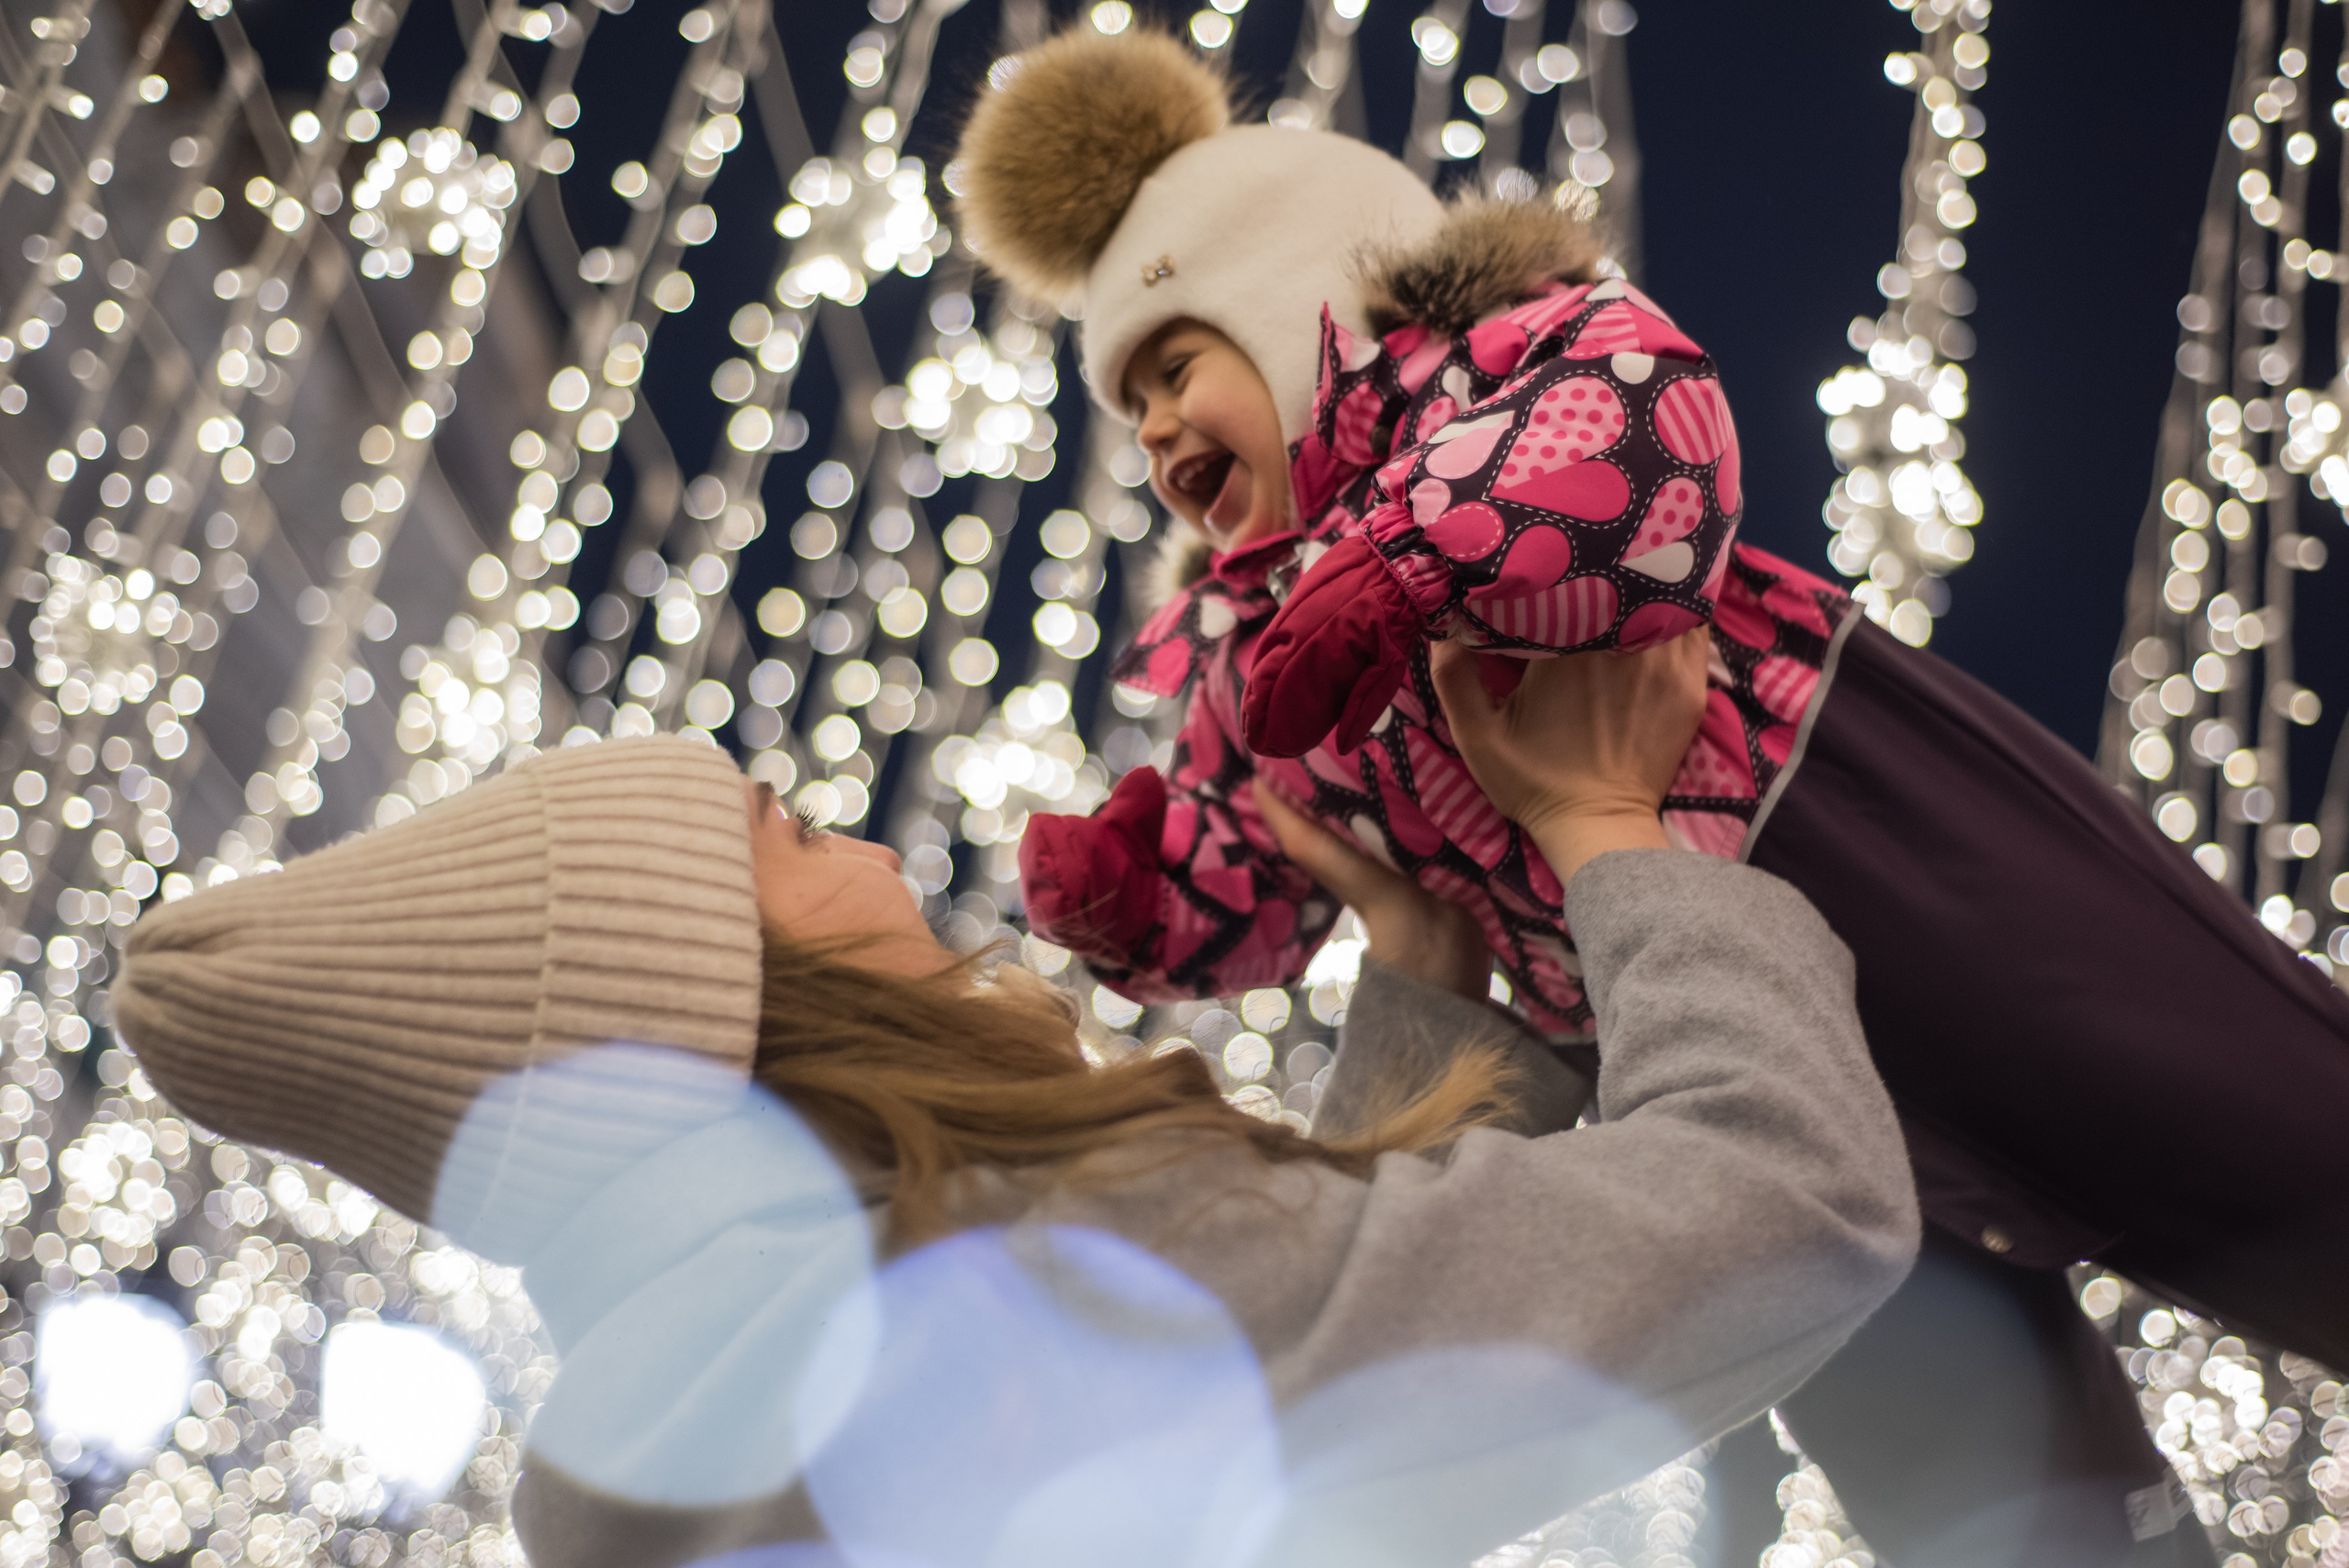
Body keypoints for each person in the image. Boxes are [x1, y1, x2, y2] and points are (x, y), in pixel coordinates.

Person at [115, 637, 1919, 1568]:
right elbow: (1779, 1206)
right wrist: (1612, 832)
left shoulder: (669, 1450)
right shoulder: (1041, 1274)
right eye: (783, 840)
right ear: (724, 995)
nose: (856, 842)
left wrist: (1419, 995)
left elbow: (1310, 1392)